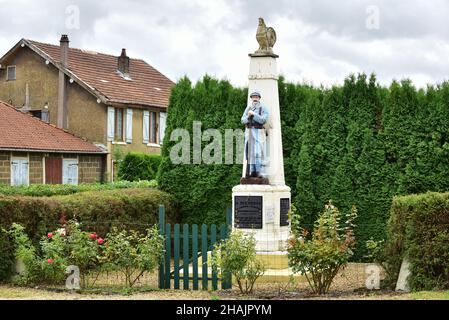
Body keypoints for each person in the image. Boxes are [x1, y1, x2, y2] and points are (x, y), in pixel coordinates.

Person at [241, 91, 269, 178]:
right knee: (250, 153)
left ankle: (259, 172)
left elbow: (263, 120)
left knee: (258, 153)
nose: (255, 98)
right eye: (253, 97)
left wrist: (254, 114)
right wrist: (248, 116)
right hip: (249, 131)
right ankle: (252, 172)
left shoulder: (263, 108)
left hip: (258, 132)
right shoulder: (248, 108)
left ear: (259, 98)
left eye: (256, 97)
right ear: (251, 98)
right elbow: (242, 120)